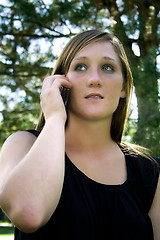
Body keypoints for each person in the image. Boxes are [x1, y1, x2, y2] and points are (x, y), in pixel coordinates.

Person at [0, 29, 159, 240]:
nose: (94, 79)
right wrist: (55, 117)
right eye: (80, 67)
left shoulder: (150, 172)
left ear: (123, 87)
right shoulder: (22, 144)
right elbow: (29, 214)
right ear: (61, 83)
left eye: (107, 67)